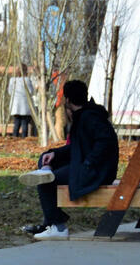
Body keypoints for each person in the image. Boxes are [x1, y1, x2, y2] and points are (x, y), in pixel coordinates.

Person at [16, 80, 119, 240]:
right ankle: (50, 223)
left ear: (68, 100)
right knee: (45, 159)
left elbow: (105, 142)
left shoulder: (90, 117)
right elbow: (78, 147)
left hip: (97, 171)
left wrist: (89, 163)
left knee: (45, 182)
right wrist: (54, 154)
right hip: (89, 166)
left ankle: (58, 227)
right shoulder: (84, 116)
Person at [7, 64, 37, 139]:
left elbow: (10, 92)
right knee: (24, 124)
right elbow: (31, 91)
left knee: (16, 123)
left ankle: (15, 138)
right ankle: (24, 139)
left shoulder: (12, 80)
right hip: (25, 105)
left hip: (15, 105)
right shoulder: (27, 80)